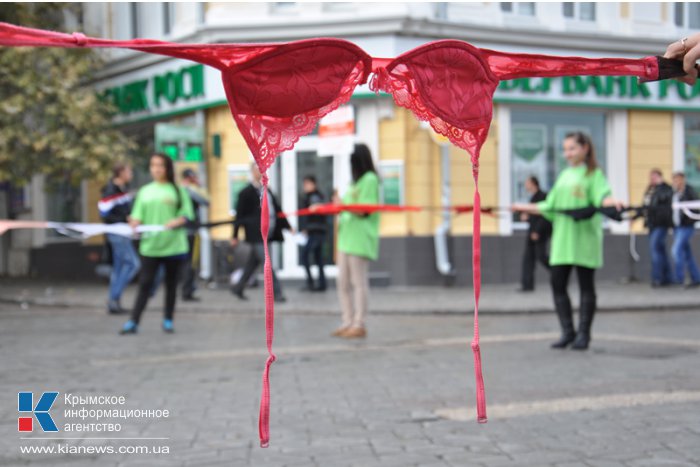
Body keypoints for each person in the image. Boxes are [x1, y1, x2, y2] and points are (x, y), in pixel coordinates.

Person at [512, 132, 624, 351]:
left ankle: (583, 335)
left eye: (572, 148)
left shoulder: (594, 174)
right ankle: (567, 332)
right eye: (565, 149)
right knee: (557, 285)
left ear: (585, 149)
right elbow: (550, 205)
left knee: (586, 287)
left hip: (585, 239)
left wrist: (613, 203)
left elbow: (604, 197)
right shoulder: (563, 176)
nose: (568, 154)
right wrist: (521, 207)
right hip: (562, 240)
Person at [120, 153, 194, 335]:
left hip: (174, 246)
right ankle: (133, 321)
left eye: (160, 165)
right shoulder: (145, 191)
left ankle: (168, 320)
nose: (156, 169)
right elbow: (137, 216)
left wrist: (177, 221)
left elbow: (187, 214)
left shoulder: (177, 190)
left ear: (167, 168)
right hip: (150, 246)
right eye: (153, 165)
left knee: (171, 285)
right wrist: (134, 222)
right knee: (145, 284)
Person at [332, 144, 380, 339]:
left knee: (358, 282)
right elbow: (347, 207)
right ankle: (347, 320)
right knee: (342, 282)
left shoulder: (370, 179)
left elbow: (364, 210)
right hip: (346, 238)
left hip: (359, 238)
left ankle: (359, 322)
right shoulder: (354, 184)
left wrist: (343, 205)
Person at [230, 163, 292, 303]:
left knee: (252, 263)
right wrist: (234, 235)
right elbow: (239, 217)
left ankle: (238, 287)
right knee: (267, 263)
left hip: (267, 233)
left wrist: (288, 226)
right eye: (258, 170)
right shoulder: (245, 193)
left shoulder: (267, 191)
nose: (260, 173)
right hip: (256, 234)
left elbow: (277, 210)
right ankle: (277, 293)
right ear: (252, 172)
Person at [99, 162, 140, 315]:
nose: (131, 174)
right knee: (132, 264)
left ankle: (114, 302)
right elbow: (105, 213)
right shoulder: (111, 190)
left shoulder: (123, 190)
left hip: (124, 232)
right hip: (117, 233)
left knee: (119, 267)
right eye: (129, 171)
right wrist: (125, 218)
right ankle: (114, 297)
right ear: (121, 172)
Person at [180, 168, 210, 301]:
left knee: (186, 261)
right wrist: (198, 186)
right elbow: (206, 201)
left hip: (182, 230)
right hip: (190, 230)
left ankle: (188, 288)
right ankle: (187, 290)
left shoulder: (178, 189)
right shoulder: (188, 190)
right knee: (190, 262)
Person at [641, 169, 674, 287]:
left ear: (660, 177)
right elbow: (645, 206)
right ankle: (668, 278)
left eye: (654, 177)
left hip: (661, 224)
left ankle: (657, 278)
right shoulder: (650, 190)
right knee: (661, 251)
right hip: (651, 224)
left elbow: (666, 199)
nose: (652, 179)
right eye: (651, 177)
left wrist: (660, 184)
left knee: (655, 250)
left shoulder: (665, 188)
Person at [518, 175, 551, 292]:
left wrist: (537, 231)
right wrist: (526, 217)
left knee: (541, 257)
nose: (525, 185)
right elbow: (534, 216)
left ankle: (557, 273)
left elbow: (545, 216)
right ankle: (527, 285)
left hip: (539, 233)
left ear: (533, 183)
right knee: (528, 259)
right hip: (531, 232)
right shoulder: (532, 198)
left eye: (527, 183)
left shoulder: (543, 196)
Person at [671, 172, 700, 288]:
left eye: (678, 180)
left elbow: (695, 208)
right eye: (675, 180)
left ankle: (679, 278)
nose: (677, 182)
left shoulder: (689, 192)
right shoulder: (674, 194)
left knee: (676, 251)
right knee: (687, 254)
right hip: (677, 227)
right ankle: (696, 277)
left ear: (683, 180)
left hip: (686, 227)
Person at [300, 175, 328, 292]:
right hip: (317, 231)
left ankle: (311, 282)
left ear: (313, 184)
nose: (305, 186)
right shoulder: (316, 196)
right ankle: (321, 283)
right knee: (318, 258)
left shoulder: (314, 197)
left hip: (316, 232)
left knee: (305, 256)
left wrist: (307, 227)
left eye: (307, 184)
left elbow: (315, 214)